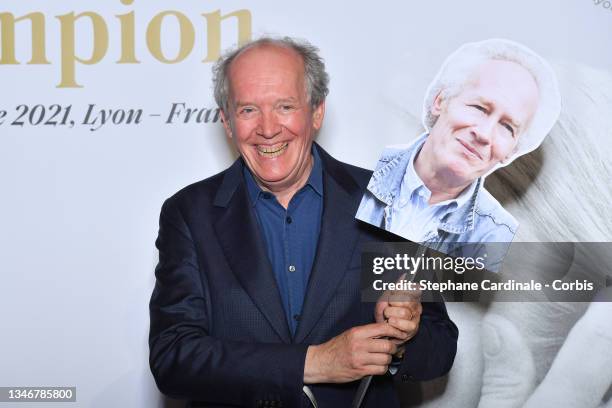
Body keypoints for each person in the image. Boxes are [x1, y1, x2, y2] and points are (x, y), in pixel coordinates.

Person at [148, 36, 458, 408]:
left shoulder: (387, 201)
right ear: (227, 122)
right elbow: (173, 359)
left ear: (315, 112)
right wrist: (315, 363)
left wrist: (403, 337)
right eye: (247, 110)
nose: (267, 128)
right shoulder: (189, 213)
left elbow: (440, 349)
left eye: (284, 106)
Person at [355, 39, 561, 268]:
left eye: (507, 127)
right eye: (479, 108)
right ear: (439, 101)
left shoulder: (496, 237)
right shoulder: (358, 165)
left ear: (512, 151)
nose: (484, 134)